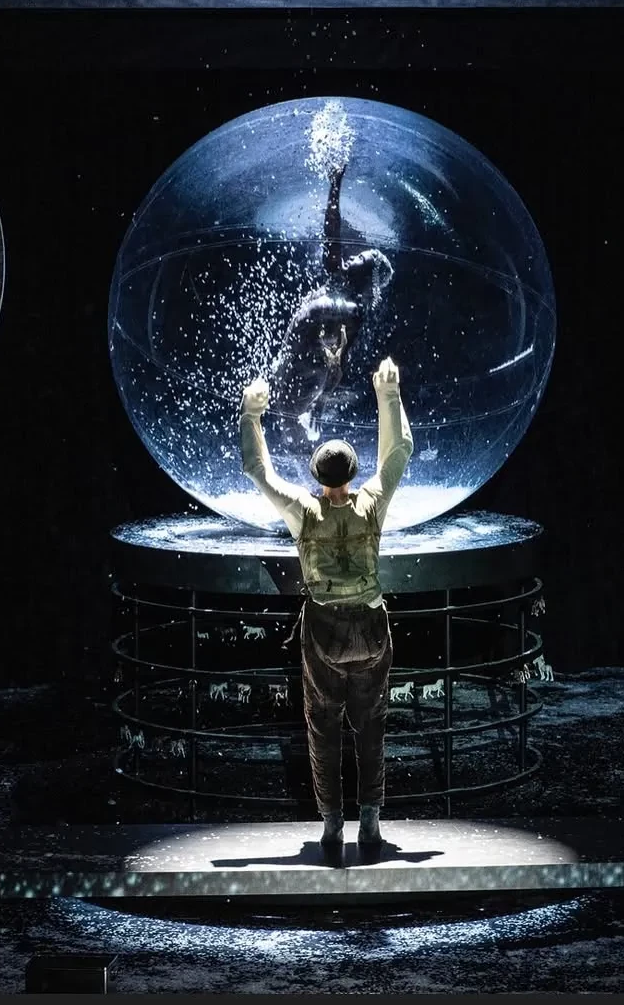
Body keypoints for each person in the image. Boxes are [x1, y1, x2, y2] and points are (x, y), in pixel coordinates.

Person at [239, 355, 413, 848]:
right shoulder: (371, 502)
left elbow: (257, 469)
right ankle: (371, 821)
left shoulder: (305, 511)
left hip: (324, 631)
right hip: (371, 628)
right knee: (372, 725)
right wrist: (388, 394)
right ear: (353, 473)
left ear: (317, 474)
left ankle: (333, 823)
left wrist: (251, 414)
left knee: (323, 727)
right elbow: (400, 449)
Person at [268, 163, 394, 452]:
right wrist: (334, 185)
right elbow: (331, 233)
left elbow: (337, 364)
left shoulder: (351, 311)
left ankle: (318, 470)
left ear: (366, 278)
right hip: (293, 366)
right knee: (286, 428)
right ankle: (310, 465)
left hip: (304, 376)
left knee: (290, 431)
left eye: (359, 260)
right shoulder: (337, 279)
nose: (351, 258)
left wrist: (321, 403)